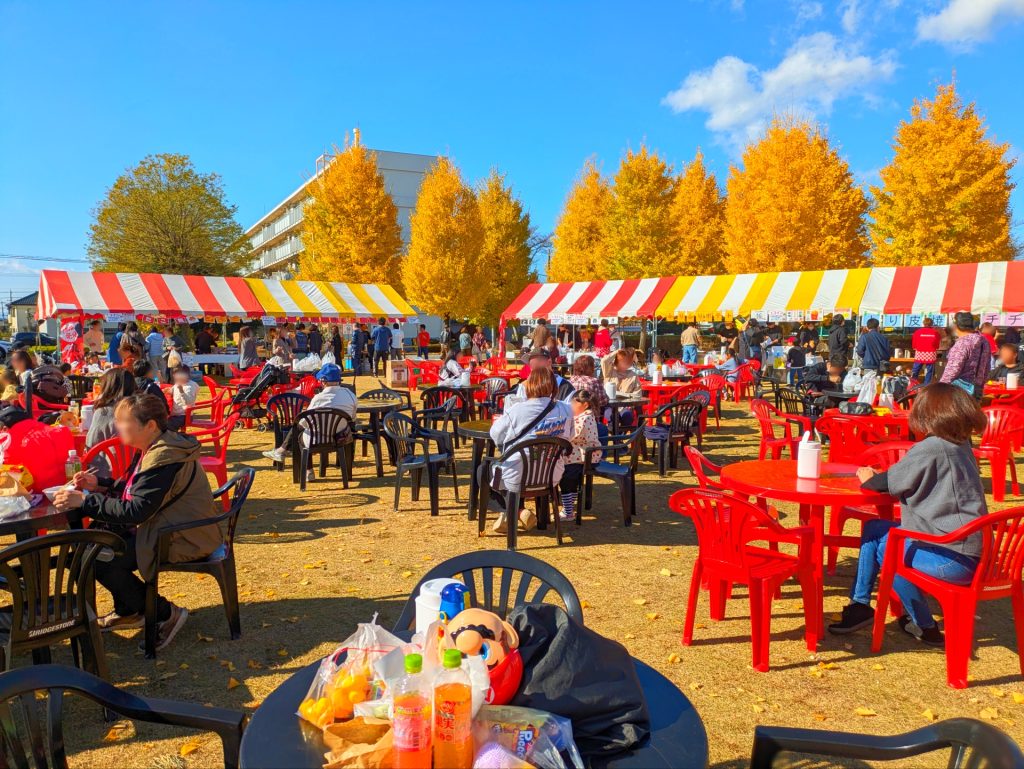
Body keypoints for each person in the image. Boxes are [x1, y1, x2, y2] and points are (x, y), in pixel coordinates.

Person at [54, 393, 222, 651]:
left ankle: (165, 613)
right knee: (96, 550)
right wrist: (99, 484)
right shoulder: (155, 447)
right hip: (165, 527)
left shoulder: (164, 457)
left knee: (99, 560)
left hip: (183, 537)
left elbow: (136, 510)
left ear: (150, 425)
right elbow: (135, 489)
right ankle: (129, 609)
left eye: (123, 420)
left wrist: (84, 502)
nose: (116, 425)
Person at [827, 384, 988, 644]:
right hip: (973, 553)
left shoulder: (933, 446)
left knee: (886, 548)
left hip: (951, 558)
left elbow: (888, 482)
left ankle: (875, 610)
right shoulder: (962, 445)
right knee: (877, 530)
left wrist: (868, 476)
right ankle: (898, 617)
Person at [487, 369, 573, 533]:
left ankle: (514, 511)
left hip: (518, 475)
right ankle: (519, 512)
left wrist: (504, 449)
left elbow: (495, 434)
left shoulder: (517, 409)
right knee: (517, 466)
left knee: (483, 471)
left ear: (529, 385)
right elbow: (570, 436)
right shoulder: (566, 409)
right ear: (554, 387)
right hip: (551, 474)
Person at [262, 363, 356, 478]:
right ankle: (281, 451)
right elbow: (352, 418)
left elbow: (304, 423)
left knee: (299, 432)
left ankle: (308, 470)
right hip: (341, 438)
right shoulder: (350, 395)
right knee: (303, 428)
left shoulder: (318, 398)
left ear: (323, 381)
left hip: (316, 439)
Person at [560, 389, 601, 523]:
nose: (571, 406)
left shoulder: (585, 418)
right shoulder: (584, 416)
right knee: (568, 476)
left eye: (574, 404)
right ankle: (569, 506)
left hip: (586, 457)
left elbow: (572, 435)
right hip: (580, 455)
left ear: (585, 405)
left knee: (565, 475)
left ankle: (568, 510)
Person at [941, 312, 992, 399]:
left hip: (959, 390)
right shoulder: (984, 341)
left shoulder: (962, 343)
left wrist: (940, 386)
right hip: (977, 387)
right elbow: (987, 366)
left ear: (956, 326)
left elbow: (953, 369)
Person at [86, 368, 138, 452]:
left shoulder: (104, 412)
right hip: (140, 463)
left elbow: (91, 444)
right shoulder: (140, 409)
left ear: (108, 387)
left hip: (109, 464)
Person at [911, 317, 942, 384]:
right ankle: (927, 386)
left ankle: (913, 384)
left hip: (920, 353)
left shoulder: (917, 332)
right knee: (930, 371)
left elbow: (914, 344)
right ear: (932, 324)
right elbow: (937, 345)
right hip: (931, 353)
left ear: (923, 323)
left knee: (916, 369)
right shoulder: (935, 333)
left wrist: (915, 347)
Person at [167, 365, 199, 431]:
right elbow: (173, 391)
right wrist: (168, 391)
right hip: (175, 414)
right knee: (162, 422)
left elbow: (189, 402)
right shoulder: (178, 383)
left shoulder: (190, 386)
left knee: (167, 426)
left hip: (184, 416)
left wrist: (181, 390)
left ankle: (176, 439)